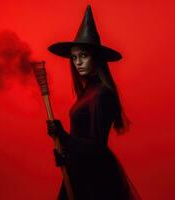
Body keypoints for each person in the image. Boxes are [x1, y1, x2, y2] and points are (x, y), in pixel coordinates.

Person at [46, 5, 141, 200]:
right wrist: (65, 153)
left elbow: (97, 149)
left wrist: (64, 137)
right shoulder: (88, 92)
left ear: (95, 57)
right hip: (79, 172)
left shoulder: (103, 94)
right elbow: (81, 141)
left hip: (95, 180)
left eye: (83, 55)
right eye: (74, 57)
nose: (78, 62)